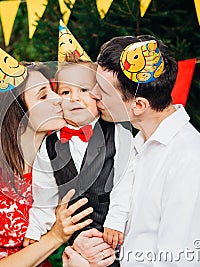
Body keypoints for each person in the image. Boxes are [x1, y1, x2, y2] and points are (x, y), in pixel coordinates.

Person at [69, 35, 200, 266]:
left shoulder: (191, 162)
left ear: (139, 106)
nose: (92, 94)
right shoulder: (139, 141)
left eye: (103, 90)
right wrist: (96, 248)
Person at [0, 36, 94, 267]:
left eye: (52, 91)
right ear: (15, 115)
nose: (58, 99)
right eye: (43, 95)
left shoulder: (60, 160)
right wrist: (55, 237)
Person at [23, 53, 134, 265]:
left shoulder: (118, 131)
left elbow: (126, 178)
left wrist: (116, 219)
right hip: (79, 246)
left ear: (99, 95)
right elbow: (44, 195)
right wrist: (35, 229)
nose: (74, 97)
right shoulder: (49, 145)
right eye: (66, 92)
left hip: (118, 234)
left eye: (84, 90)